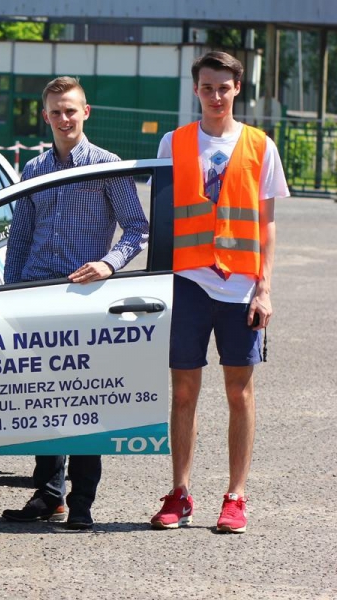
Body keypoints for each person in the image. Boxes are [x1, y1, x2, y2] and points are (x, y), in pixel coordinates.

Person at [0, 76, 149, 530]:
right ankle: (49, 496)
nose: (64, 118)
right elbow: (20, 236)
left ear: (86, 112)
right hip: (36, 293)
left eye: (71, 110)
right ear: (45, 116)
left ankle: (81, 502)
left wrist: (108, 264)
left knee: (85, 399)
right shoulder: (33, 169)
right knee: (41, 399)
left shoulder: (107, 165)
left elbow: (137, 228)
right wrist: (10, 292)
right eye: (56, 111)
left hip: (85, 296)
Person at [150, 51, 288, 534]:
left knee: (239, 393)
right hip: (188, 283)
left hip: (241, 287)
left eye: (223, 88)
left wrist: (264, 289)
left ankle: (235, 496)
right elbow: (162, 216)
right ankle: (179, 492)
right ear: (196, 90)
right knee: (183, 392)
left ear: (237, 89)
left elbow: (266, 224)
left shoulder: (260, 145)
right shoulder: (173, 142)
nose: (215, 96)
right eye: (207, 88)